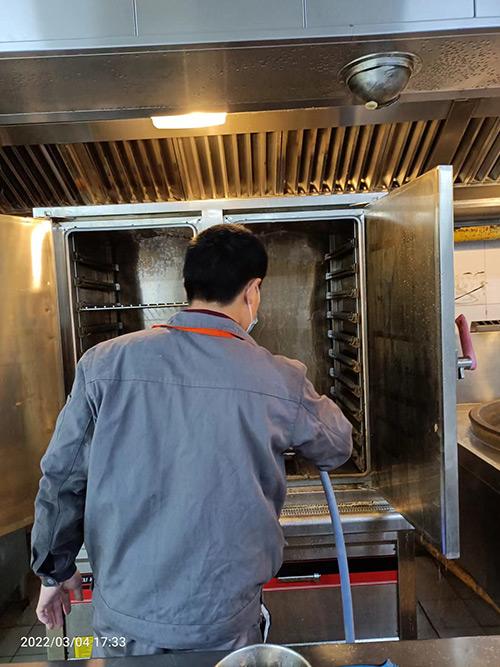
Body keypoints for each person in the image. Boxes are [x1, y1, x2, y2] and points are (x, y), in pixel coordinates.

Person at [31, 223, 352, 656]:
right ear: (252, 291)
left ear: (190, 286)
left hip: (125, 619)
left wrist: (54, 570)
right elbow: (337, 445)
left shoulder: (103, 363)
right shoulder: (281, 377)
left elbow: (62, 476)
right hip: (224, 622)